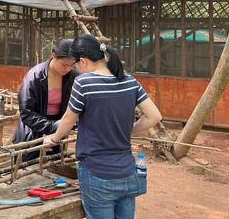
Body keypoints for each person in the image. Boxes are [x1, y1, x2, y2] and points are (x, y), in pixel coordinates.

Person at [44, 34, 163, 219]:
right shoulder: (129, 80)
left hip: (97, 173)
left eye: (74, 65)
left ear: (82, 61)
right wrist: (126, 130)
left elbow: (68, 119)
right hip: (128, 172)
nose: (75, 69)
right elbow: (155, 116)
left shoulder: (84, 83)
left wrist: (53, 139)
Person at [12, 39, 77, 163]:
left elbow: (77, 105)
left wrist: (62, 127)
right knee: (27, 170)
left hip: (58, 130)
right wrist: (53, 127)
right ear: (53, 56)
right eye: (64, 65)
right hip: (33, 131)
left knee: (53, 166)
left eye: (72, 65)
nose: (68, 69)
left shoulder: (72, 76)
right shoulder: (34, 76)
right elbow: (26, 113)